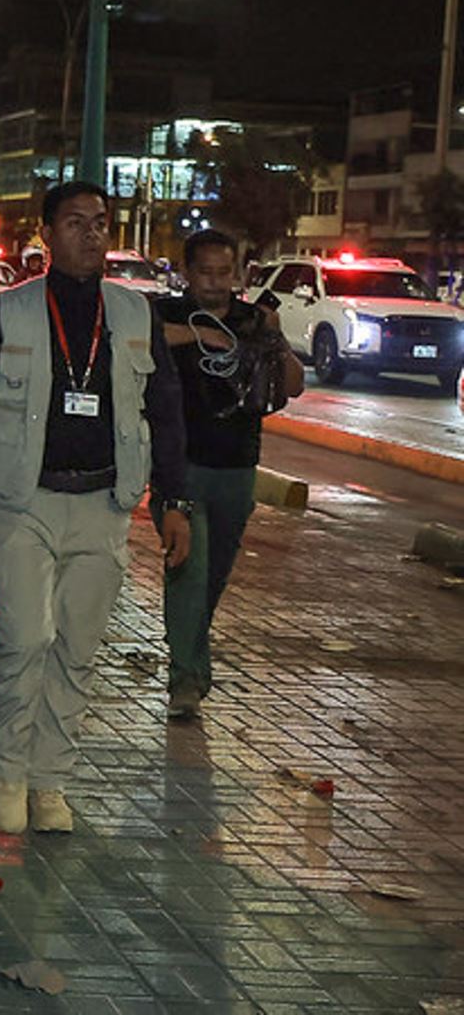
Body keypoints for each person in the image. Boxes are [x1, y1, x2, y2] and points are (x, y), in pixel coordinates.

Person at [0, 181, 191, 838]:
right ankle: (8, 773)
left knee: (78, 647)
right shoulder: (8, 311)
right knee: (25, 637)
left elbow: (165, 411)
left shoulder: (134, 314)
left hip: (104, 504)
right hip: (22, 501)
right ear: (46, 234)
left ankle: (50, 780)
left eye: (101, 223)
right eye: (75, 222)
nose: (91, 234)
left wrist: (173, 499)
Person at [153, 228, 303, 718]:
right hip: (180, 465)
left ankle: (194, 666)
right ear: (186, 273)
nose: (216, 283)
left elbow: (294, 386)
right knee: (187, 569)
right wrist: (203, 334)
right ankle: (185, 681)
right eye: (205, 272)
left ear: (237, 273)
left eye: (225, 272)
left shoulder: (254, 320)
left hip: (238, 465)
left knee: (212, 577)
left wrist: (275, 336)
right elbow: (137, 341)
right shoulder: (167, 314)